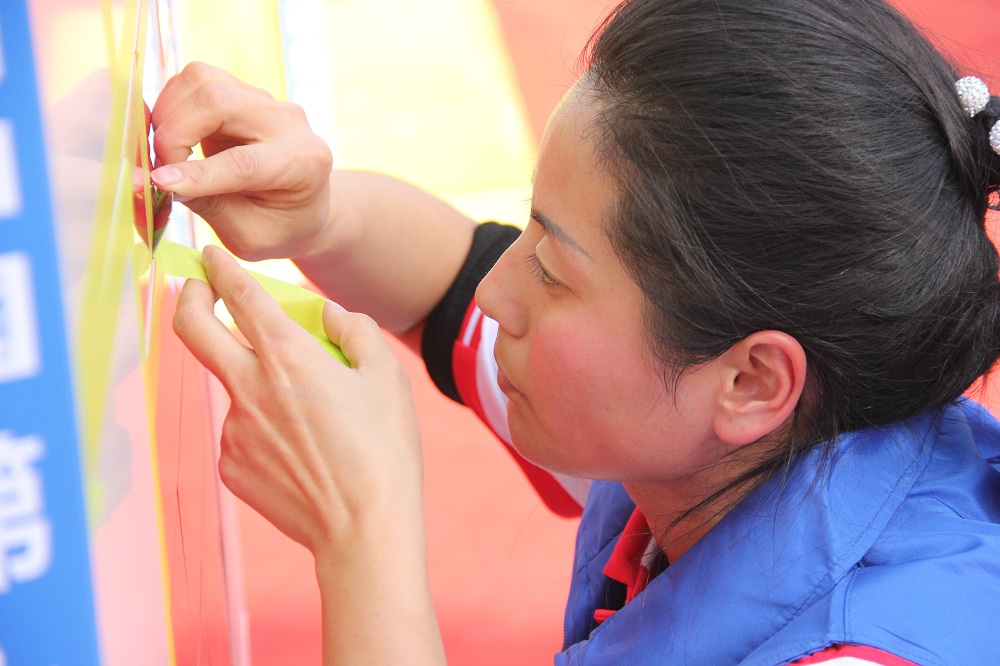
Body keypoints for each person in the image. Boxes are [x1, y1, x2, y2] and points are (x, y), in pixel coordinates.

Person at [151, 0, 1000, 663]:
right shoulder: (728, 430)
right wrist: (320, 218)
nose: (496, 290)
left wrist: (361, 535)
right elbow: (445, 276)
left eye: (551, 270)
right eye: (529, 224)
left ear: (752, 382)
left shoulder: (875, 646)